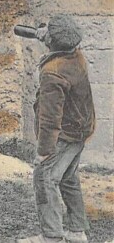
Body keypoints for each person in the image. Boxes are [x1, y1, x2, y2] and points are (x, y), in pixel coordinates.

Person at [17, 15, 95, 243]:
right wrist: (48, 36)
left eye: (48, 32)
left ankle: (51, 236)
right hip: (80, 129)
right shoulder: (76, 56)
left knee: (44, 179)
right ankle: (77, 231)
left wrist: (44, 151)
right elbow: (62, 46)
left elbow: (50, 117)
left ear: (52, 41)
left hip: (63, 134)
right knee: (68, 177)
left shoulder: (52, 72)